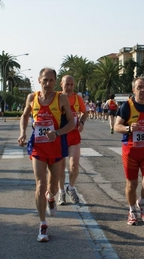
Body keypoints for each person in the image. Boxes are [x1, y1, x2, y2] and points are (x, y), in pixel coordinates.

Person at [17, 68, 74, 242]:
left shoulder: (61, 98)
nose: (47, 84)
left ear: (55, 82)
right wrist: (22, 132)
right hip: (38, 147)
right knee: (40, 185)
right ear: (39, 80)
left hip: (56, 146)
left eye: (51, 80)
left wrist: (57, 133)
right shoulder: (32, 98)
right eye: (44, 80)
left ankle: (51, 197)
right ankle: (42, 223)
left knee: (53, 187)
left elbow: (71, 123)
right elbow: (25, 116)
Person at [113, 77, 144, 226]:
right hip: (131, 153)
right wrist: (128, 129)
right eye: (139, 87)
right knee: (132, 184)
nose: (143, 90)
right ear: (134, 90)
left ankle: (142, 202)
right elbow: (116, 126)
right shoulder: (127, 106)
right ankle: (132, 210)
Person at [57, 75, 87, 205]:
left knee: (74, 165)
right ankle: (61, 191)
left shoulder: (77, 98)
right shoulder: (56, 97)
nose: (69, 87)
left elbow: (85, 112)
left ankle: (71, 187)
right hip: (59, 135)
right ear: (61, 85)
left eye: (71, 85)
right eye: (66, 84)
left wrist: (81, 122)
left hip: (73, 135)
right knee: (60, 167)